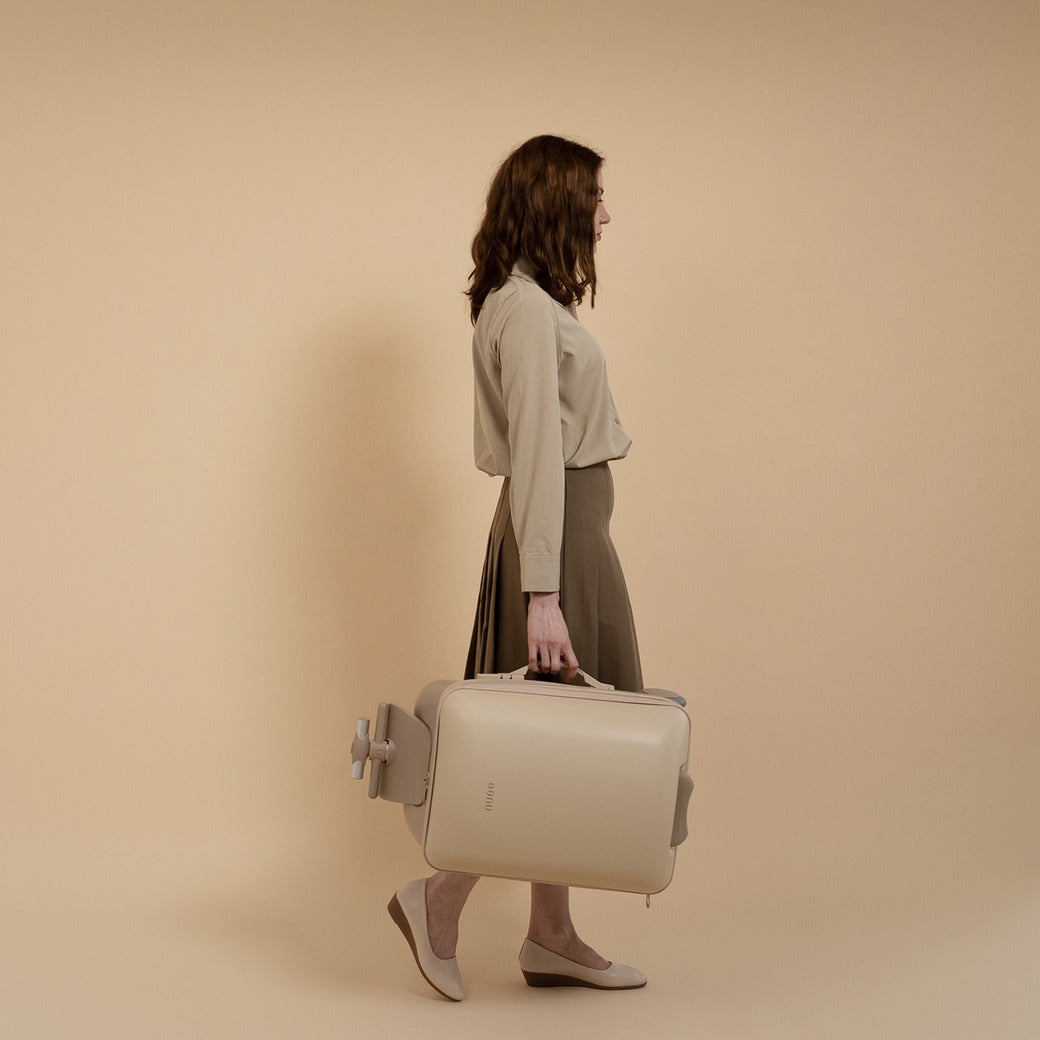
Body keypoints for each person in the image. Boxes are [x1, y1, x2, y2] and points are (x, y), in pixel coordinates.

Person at [387, 135, 646, 1001]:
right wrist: (544, 592)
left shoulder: (517, 299)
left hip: (561, 531)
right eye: (594, 197)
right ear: (555, 201)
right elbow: (537, 449)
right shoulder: (528, 310)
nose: (605, 215)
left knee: (556, 735)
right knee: (545, 740)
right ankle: (439, 900)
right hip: (557, 535)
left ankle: (551, 933)